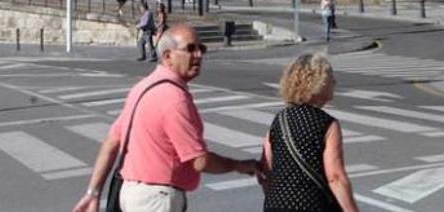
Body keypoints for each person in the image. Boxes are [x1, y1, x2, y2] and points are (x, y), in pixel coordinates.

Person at [71, 25, 262, 212]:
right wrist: (238, 165)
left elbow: (112, 143)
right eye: (190, 49)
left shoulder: (142, 87)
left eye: (201, 48)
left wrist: (93, 192)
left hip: (130, 194)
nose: (198, 55)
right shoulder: (174, 98)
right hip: (157, 200)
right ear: (168, 56)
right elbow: (199, 161)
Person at [261, 53, 360, 212]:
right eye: (330, 77)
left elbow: (265, 170)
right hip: (313, 205)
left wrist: (278, 199)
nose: (334, 81)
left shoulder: (279, 120)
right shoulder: (327, 124)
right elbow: (335, 177)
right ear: (317, 84)